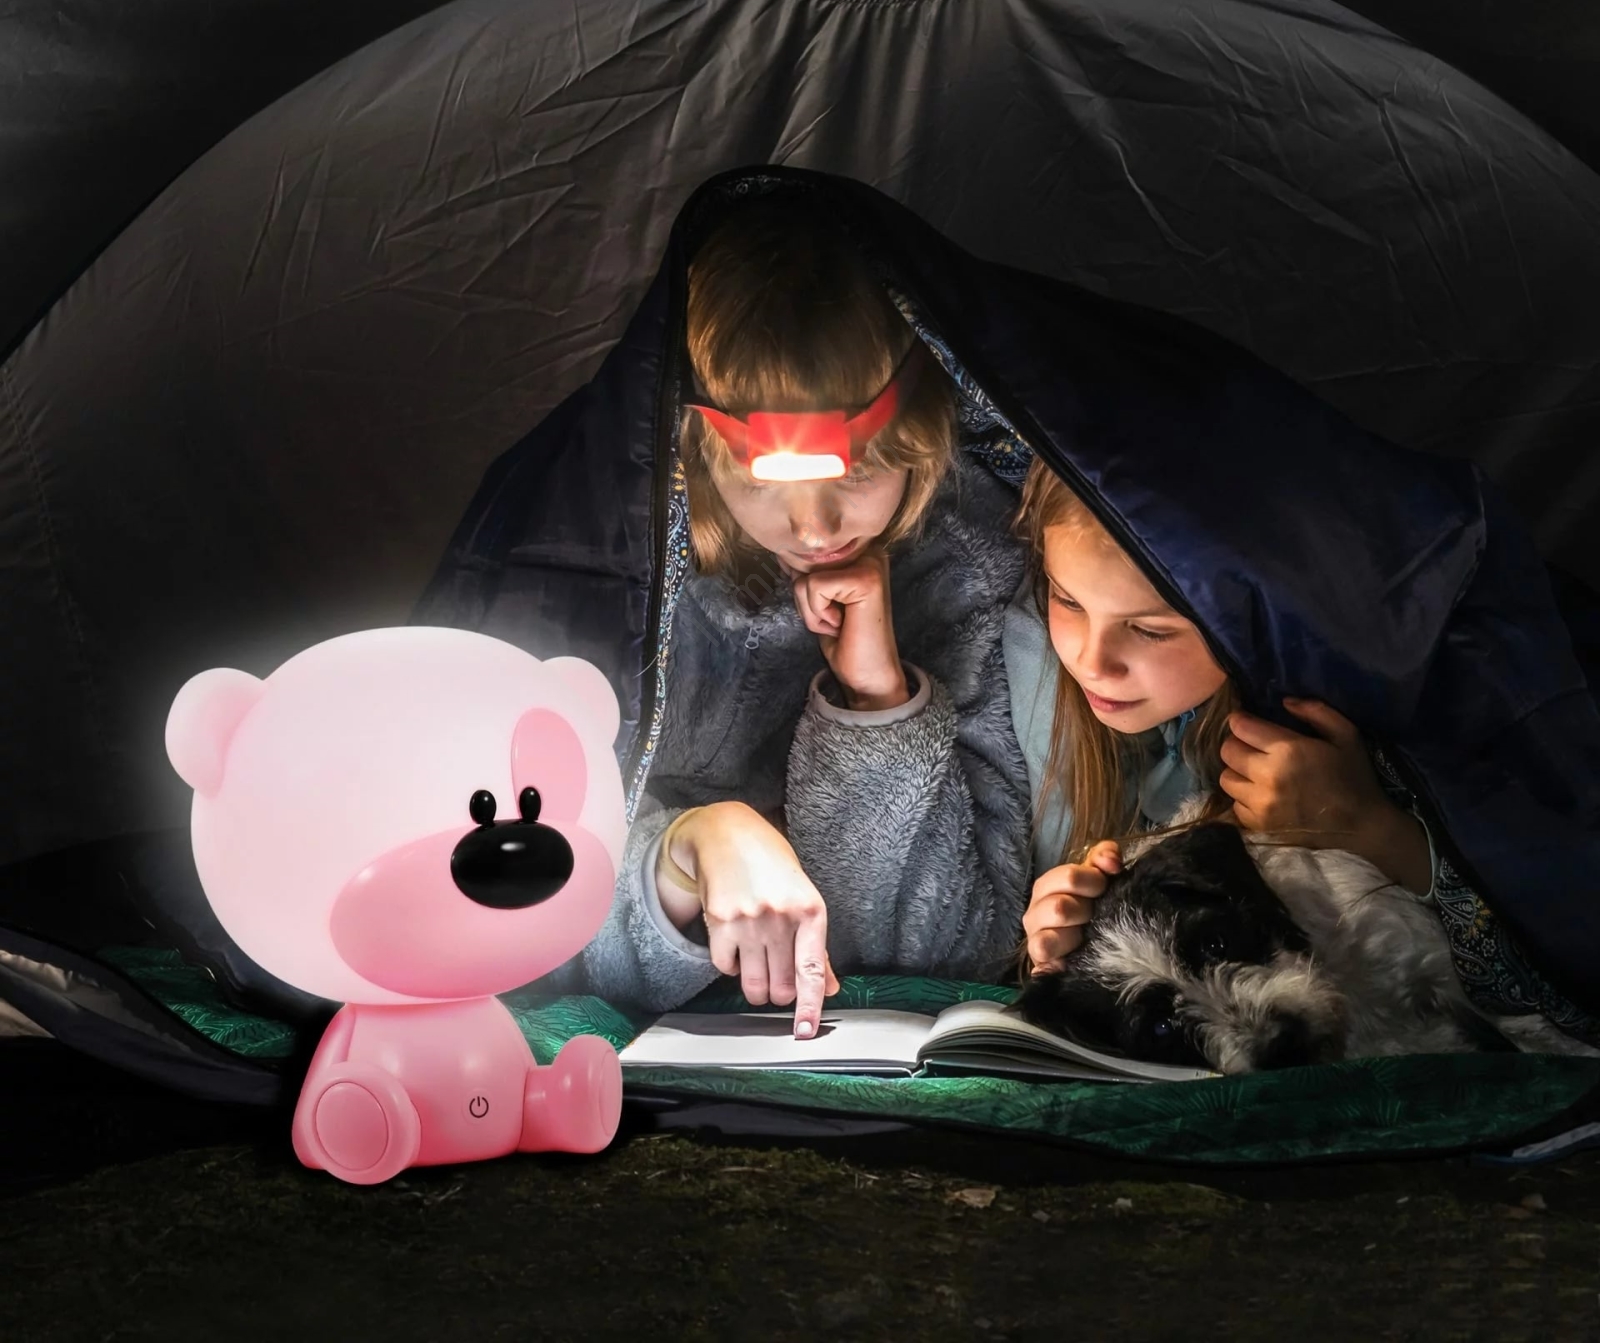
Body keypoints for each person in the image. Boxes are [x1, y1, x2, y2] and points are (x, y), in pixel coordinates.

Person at [547, 191, 1035, 1034]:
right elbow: (506, 908)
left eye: (858, 473)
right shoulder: (606, 563)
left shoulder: (972, 571)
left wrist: (878, 705)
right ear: (699, 451)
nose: (815, 529)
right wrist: (686, 853)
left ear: (924, 431)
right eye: (762, 483)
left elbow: (955, 954)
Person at [1007, 455, 1600, 1044]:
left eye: (1151, 628)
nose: (1092, 660)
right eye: (1068, 600)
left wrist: (1371, 830)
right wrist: (1065, 944)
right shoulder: (1054, 695)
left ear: (1259, 610)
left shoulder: (1376, 703)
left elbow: (1564, 936)